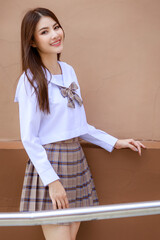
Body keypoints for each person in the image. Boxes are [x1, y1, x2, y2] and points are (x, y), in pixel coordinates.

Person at [14, 7, 146, 240]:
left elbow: (80, 126)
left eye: (56, 27)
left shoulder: (69, 71)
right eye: (44, 32)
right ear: (32, 42)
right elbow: (29, 138)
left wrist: (114, 142)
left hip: (75, 159)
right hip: (50, 165)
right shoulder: (30, 80)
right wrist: (52, 182)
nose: (55, 35)